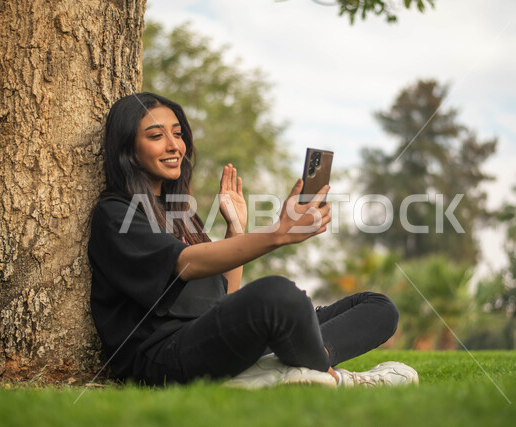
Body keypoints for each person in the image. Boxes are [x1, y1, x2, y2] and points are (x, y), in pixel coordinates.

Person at [88, 92, 418, 388]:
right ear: (128, 149)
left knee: (378, 307)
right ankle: (332, 377)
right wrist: (278, 233)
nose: (174, 145)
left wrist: (236, 229)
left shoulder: (180, 214)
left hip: (213, 338)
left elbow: (223, 297)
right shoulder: (116, 212)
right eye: (156, 136)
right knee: (277, 295)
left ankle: (293, 366)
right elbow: (187, 264)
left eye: (177, 134)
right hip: (163, 355)